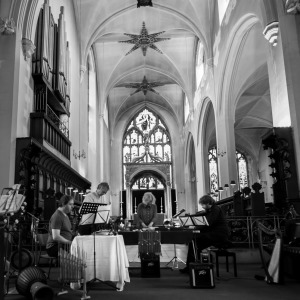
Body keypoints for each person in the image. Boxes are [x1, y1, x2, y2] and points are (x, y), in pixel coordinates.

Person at [180, 194, 229, 273]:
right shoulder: (210, 210)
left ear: (208, 203)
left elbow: (208, 222)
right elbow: (201, 216)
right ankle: (192, 266)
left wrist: (195, 228)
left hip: (218, 235)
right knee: (193, 242)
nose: (202, 206)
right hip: (212, 233)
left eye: (203, 204)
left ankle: (196, 266)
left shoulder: (216, 209)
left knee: (195, 242)